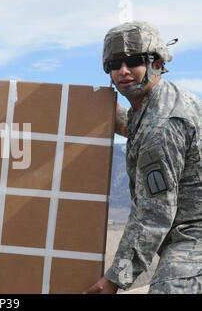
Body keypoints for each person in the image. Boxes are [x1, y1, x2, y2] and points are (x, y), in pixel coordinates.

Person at [85, 21, 202, 294]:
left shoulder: (161, 125)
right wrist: (106, 117)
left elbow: (154, 215)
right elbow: (142, 130)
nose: (123, 71)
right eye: (115, 64)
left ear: (157, 63)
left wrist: (115, 279)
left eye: (134, 61)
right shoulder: (159, 104)